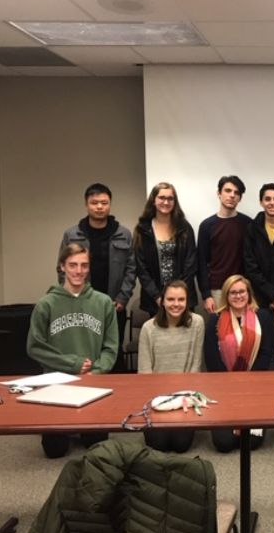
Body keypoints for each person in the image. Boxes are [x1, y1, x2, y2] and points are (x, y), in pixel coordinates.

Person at [28, 243, 118, 458]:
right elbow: (34, 347)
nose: (79, 271)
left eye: (84, 265)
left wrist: (96, 370)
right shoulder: (46, 304)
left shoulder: (104, 302)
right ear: (62, 267)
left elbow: (111, 347)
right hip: (56, 383)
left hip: (92, 383)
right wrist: (72, 364)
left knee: (97, 446)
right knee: (55, 450)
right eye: (73, 265)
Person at [59, 183, 135, 372]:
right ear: (86, 205)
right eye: (94, 203)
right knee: (85, 350)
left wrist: (123, 298)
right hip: (82, 304)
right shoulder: (72, 234)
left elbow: (131, 269)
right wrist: (72, 298)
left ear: (110, 204)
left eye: (104, 203)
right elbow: (62, 270)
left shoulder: (123, 234)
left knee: (113, 352)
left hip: (113, 305)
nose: (99, 207)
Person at [204, 275, 274, 452]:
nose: (238, 296)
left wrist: (246, 384)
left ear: (249, 294)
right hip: (223, 389)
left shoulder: (263, 317)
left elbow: (267, 353)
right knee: (223, 443)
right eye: (233, 292)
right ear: (226, 296)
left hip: (255, 387)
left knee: (251, 443)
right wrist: (232, 386)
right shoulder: (215, 320)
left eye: (241, 291)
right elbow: (212, 359)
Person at [138, 280, 204, 453]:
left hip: (184, 397)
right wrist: (158, 403)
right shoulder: (148, 328)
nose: (176, 304)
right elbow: (144, 373)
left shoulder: (197, 323)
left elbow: (195, 367)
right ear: (162, 301)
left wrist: (183, 400)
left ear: (187, 302)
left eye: (181, 300)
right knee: (158, 445)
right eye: (171, 299)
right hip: (156, 399)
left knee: (181, 445)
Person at [134, 182, 197, 316]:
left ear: (175, 202)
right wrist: (157, 296)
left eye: (170, 198)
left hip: (182, 298)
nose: (166, 202)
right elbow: (141, 268)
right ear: (153, 200)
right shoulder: (143, 229)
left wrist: (178, 296)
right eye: (162, 198)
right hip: (155, 299)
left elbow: (190, 263)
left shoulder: (184, 228)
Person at [197, 175, 252, 314]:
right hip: (217, 290)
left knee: (243, 332)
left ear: (240, 198)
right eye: (228, 191)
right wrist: (206, 294)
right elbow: (201, 262)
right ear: (219, 193)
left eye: (236, 192)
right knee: (218, 332)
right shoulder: (207, 225)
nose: (232, 195)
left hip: (242, 290)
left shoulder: (248, 224)